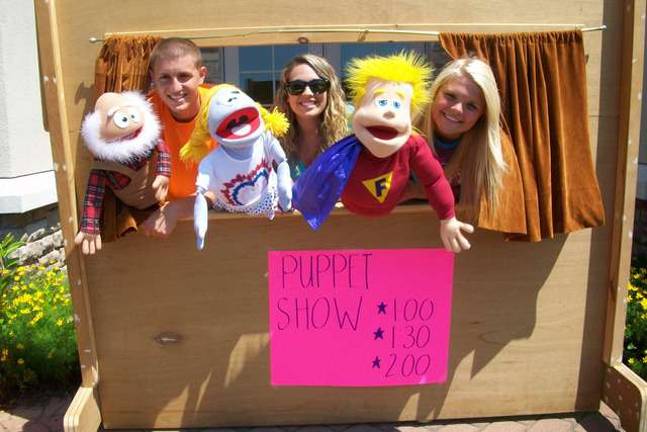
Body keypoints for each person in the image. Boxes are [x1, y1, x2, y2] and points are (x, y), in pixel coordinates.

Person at [423, 57, 526, 234]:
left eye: (471, 106)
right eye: (450, 96)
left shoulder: (494, 148)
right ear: (435, 92)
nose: (457, 109)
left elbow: (500, 206)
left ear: (483, 115)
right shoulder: (406, 127)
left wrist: (417, 191)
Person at [139, 37, 216, 237]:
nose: (175, 88)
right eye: (164, 77)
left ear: (201, 75)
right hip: (161, 219)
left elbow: (235, 185)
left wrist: (178, 208)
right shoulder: (144, 112)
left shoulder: (222, 108)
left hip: (217, 217)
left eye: (184, 76)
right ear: (153, 78)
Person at [274, 54, 348, 179]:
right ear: (286, 95)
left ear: (329, 91)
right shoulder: (272, 141)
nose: (307, 93)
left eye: (317, 85)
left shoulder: (351, 131)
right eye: (296, 86)